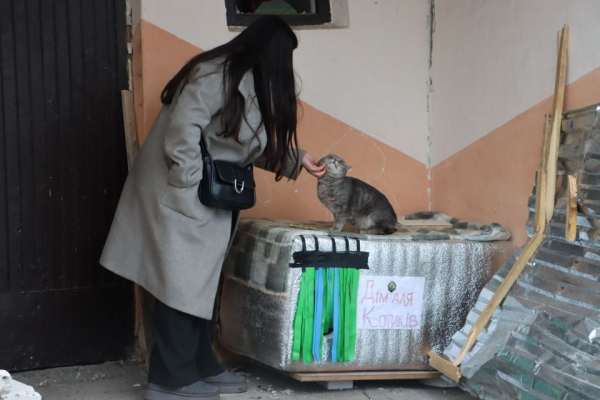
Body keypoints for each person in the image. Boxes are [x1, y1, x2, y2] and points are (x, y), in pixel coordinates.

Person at [100, 16, 325, 400]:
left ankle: (199, 365)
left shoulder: (246, 82)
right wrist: (188, 183)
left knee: (198, 284)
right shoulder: (216, 74)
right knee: (180, 284)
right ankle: (169, 380)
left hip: (205, 198)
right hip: (178, 193)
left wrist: (296, 160)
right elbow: (182, 130)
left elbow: (244, 146)